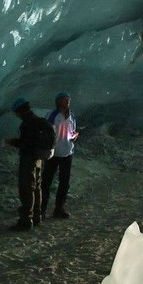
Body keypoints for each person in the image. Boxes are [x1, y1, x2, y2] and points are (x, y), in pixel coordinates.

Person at [5, 98, 56, 231]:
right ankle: (37, 217)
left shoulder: (27, 124)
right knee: (37, 187)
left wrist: (11, 142)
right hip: (39, 158)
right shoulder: (39, 121)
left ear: (19, 111)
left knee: (26, 188)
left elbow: (25, 144)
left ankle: (26, 221)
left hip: (28, 159)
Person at [42, 91, 79, 219]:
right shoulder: (52, 116)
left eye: (68, 99)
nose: (68, 101)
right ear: (58, 101)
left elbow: (72, 132)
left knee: (64, 182)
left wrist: (74, 136)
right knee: (46, 181)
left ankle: (59, 208)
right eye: (65, 99)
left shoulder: (72, 116)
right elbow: (46, 131)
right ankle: (41, 209)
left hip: (67, 153)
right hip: (54, 153)